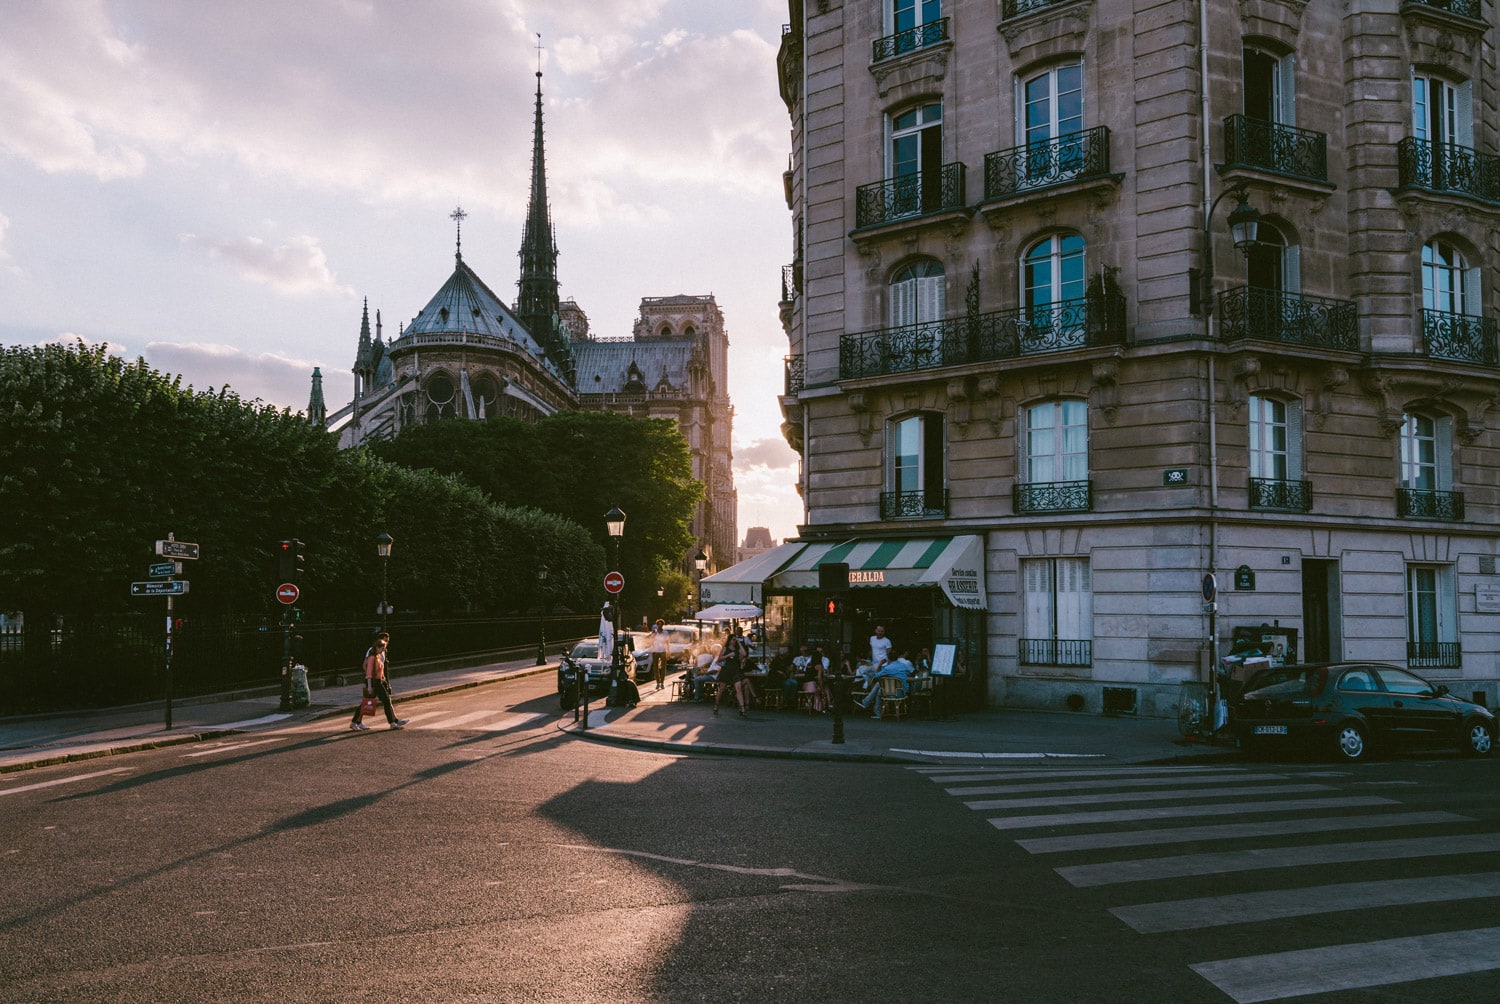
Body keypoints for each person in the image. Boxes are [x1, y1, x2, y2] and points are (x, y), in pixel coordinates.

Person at [350, 632, 408, 731]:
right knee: (373, 702)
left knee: (380, 701)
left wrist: (383, 679)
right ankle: (391, 723)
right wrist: (369, 686)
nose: (383, 650)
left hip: (379, 681)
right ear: (377, 647)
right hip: (374, 682)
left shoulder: (377, 656)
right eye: (382, 648)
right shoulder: (372, 657)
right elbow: (368, 672)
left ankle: (392, 722)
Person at [859, 648, 914, 719]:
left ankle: (867, 703)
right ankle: (872, 708)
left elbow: (876, 676)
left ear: (888, 658)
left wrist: (880, 664)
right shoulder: (902, 665)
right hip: (903, 691)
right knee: (879, 690)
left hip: (893, 693)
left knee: (878, 684)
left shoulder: (888, 668)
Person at [649, 619, 672, 691]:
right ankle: (657, 683)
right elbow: (650, 641)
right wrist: (652, 635)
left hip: (663, 650)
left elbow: (667, 642)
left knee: (663, 667)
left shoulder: (665, 633)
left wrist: (668, 651)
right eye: (658, 624)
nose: (659, 625)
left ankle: (662, 682)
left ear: (663, 625)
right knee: (655, 667)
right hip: (655, 650)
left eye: (661, 624)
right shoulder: (654, 632)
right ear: (657, 625)